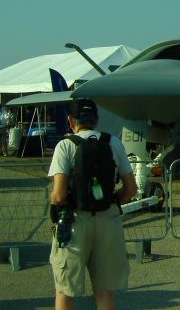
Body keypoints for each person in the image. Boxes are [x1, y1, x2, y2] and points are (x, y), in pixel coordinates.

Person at [48, 98, 137, 310]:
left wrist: (54, 203)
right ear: (96, 119)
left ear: (71, 121)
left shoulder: (65, 145)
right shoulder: (113, 143)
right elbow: (131, 189)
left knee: (65, 289)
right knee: (105, 290)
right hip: (108, 220)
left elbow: (59, 195)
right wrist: (112, 201)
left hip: (75, 222)